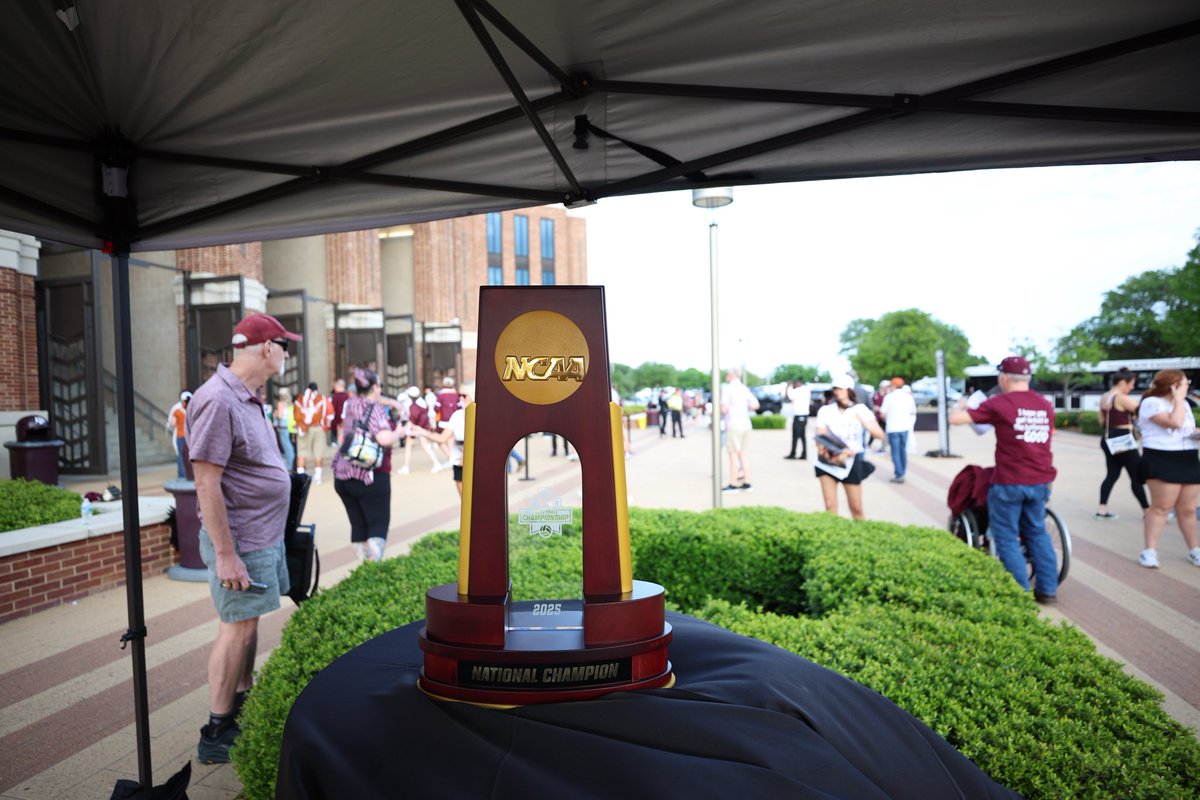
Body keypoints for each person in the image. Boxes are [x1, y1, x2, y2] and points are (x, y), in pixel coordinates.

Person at [186, 312, 301, 764]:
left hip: (261, 536)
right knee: (235, 630)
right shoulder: (217, 399)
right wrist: (226, 554)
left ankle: (240, 705)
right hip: (241, 543)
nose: (288, 354)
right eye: (285, 345)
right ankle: (217, 729)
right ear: (268, 348)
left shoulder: (248, 396)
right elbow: (206, 483)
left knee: (247, 625)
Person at [948, 356, 1059, 603]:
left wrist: (960, 404)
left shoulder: (1001, 403)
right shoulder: (1045, 405)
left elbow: (956, 420)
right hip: (1041, 479)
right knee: (1037, 532)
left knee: (1006, 535)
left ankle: (1019, 591)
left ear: (1004, 378)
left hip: (1010, 481)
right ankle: (1047, 590)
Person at [332, 368, 403, 562]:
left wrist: (389, 401)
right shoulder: (375, 409)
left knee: (359, 525)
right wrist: (400, 432)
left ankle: (363, 569)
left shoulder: (351, 403)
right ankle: (373, 569)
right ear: (374, 387)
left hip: (343, 474)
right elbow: (384, 438)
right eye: (380, 385)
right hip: (370, 476)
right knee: (377, 524)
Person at [1134, 369, 1200, 568]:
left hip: (1187, 457)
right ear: (1173, 385)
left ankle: (1194, 549)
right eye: (1184, 382)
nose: (1188, 385)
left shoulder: (1185, 405)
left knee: (1188, 509)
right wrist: (1179, 399)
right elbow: (1174, 422)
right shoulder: (1151, 403)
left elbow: (1185, 429)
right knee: (1162, 507)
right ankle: (1149, 551)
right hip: (1161, 458)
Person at [813, 374, 885, 518]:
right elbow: (820, 436)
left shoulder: (860, 409)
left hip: (852, 461)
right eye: (836, 388)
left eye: (841, 389)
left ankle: (860, 536)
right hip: (829, 460)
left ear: (849, 390)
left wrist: (866, 424)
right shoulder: (826, 411)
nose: (838, 392)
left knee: (856, 507)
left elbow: (880, 435)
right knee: (830, 506)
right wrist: (841, 450)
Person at [1095, 368, 1149, 520]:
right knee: (1136, 475)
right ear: (1122, 382)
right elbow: (1143, 411)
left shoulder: (1105, 397)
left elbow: (1101, 421)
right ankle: (1147, 511)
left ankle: (1102, 510)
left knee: (1112, 474)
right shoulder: (1121, 398)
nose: (1131, 387)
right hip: (1122, 438)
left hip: (1107, 437)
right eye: (1131, 384)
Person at [419, 383, 474, 497]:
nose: (460, 398)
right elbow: (442, 438)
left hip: (476, 465)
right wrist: (422, 431)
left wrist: (468, 456)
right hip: (459, 465)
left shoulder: (482, 415)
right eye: (459, 395)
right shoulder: (457, 415)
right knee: (464, 502)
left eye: (464, 395)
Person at [720, 368, 759, 492]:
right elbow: (755, 405)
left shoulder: (727, 389)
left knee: (732, 455)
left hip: (733, 425)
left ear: (731, 375)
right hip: (745, 425)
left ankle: (733, 483)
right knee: (743, 454)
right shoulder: (744, 388)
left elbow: (724, 409)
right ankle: (747, 482)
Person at [402, 385, 447, 473]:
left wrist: (411, 428)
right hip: (421, 427)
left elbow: (413, 419)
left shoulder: (414, 406)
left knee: (416, 446)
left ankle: (406, 467)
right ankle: (437, 462)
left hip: (417, 428)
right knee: (423, 445)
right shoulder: (420, 402)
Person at [879, 380, 917, 483]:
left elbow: (882, 413)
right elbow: (913, 412)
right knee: (902, 450)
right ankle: (902, 472)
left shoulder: (889, 397)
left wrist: (887, 418)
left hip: (893, 428)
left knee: (895, 452)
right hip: (904, 427)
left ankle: (899, 474)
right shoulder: (908, 397)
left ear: (894, 386)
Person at [293, 382, 330, 484]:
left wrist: (301, 424)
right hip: (318, 428)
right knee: (318, 453)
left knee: (301, 453)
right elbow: (330, 413)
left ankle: (301, 478)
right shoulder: (321, 399)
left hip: (304, 429)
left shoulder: (300, 399)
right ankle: (318, 477)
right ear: (317, 388)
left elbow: (296, 415)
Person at [166, 390, 192, 479]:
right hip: (190, 437)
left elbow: (172, 423)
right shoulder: (192, 410)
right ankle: (190, 474)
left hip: (181, 436)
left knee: (181, 456)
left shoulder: (177, 411)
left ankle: (182, 475)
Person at [784, 379, 811, 460]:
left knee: (795, 436)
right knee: (802, 436)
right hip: (805, 415)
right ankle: (804, 454)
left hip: (799, 415)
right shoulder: (806, 390)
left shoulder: (798, 391)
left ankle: (793, 453)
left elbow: (788, 396)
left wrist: (788, 386)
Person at [273, 388, 295, 472]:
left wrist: (275, 413)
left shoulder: (281, 403)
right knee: (289, 444)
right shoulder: (290, 402)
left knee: (286, 444)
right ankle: (292, 462)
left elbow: (280, 416)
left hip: (283, 424)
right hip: (289, 425)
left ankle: (289, 464)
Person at [328, 378, 349, 447]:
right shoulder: (348, 397)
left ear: (337, 385)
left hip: (335, 423)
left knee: (334, 444)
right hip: (345, 423)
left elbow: (329, 411)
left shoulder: (332, 397)